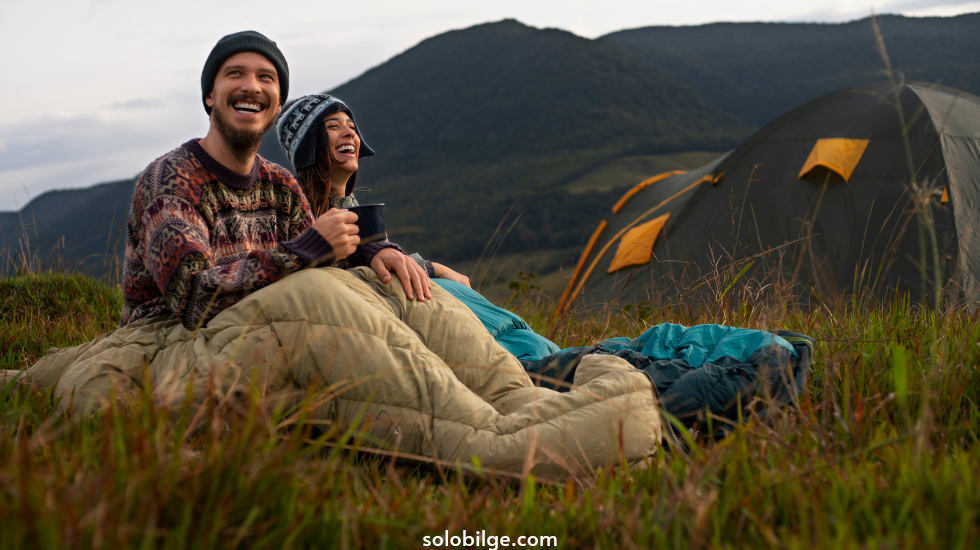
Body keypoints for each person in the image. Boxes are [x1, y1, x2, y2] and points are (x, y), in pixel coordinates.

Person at [7, 31, 662, 477]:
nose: (251, 85)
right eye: (234, 74)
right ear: (210, 95)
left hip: (267, 323)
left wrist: (373, 256)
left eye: (266, 78)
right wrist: (307, 251)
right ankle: (495, 445)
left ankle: (520, 401)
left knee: (382, 290)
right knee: (316, 296)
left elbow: (317, 258)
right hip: (179, 339)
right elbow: (192, 292)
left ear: (275, 104)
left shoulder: (279, 183)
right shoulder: (172, 177)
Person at [275, 93, 470, 289]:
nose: (350, 133)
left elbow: (385, 262)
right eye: (333, 126)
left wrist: (431, 268)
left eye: (351, 127)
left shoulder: (351, 206)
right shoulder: (287, 206)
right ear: (307, 146)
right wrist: (433, 269)